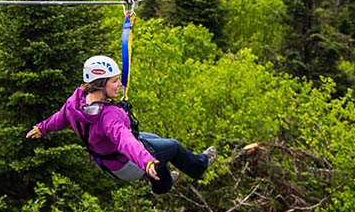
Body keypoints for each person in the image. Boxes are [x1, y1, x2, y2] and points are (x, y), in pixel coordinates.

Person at [25, 55, 216, 194]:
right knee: (171, 146)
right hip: (125, 166)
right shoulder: (108, 117)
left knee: (156, 141)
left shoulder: (76, 102)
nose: (119, 85)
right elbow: (126, 141)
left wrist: (42, 128)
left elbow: (60, 118)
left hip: (106, 160)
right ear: (100, 84)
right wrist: (146, 161)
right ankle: (197, 167)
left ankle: (160, 181)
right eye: (115, 81)